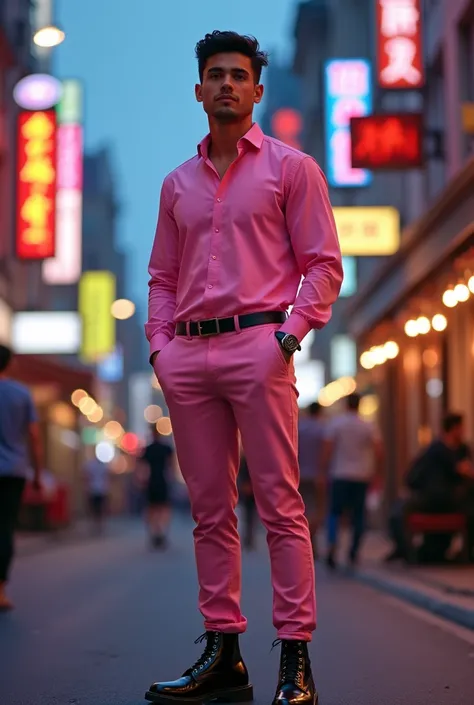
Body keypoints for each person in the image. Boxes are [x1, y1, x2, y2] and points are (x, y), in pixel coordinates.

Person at [144, 30, 342, 705]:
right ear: (198, 89)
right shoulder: (177, 184)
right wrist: (159, 347)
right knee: (209, 509)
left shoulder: (293, 169)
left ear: (256, 89)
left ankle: (296, 657)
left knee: (281, 503)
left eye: (237, 74)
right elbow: (161, 276)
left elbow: (323, 264)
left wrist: (287, 337)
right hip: (188, 358)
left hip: (260, 347)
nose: (226, 83)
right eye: (214, 74)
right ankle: (224, 651)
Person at [386, 413, 474, 563]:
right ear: (454, 429)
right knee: (398, 512)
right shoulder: (437, 450)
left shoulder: (461, 449)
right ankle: (406, 550)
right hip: (433, 498)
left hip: (452, 500)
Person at [0, 344, 42, 610]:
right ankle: (1, 590)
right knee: (5, 528)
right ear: (11, 364)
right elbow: (34, 437)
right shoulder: (21, 393)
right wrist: (37, 474)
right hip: (13, 472)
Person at [322, 393, 383, 570]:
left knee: (334, 512)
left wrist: (323, 471)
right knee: (358, 514)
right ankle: (354, 551)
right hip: (361, 475)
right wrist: (378, 474)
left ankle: (332, 546)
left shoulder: (336, 424)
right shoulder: (368, 426)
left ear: (345, 404)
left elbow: (327, 449)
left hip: (339, 474)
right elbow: (379, 451)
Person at [138, 424, 175, 549]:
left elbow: (142, 467)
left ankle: (155, 532)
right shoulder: (166, 448)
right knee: (162, 508)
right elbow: (171, 466)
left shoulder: (148, 449)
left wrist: (141, 480)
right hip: (162, 481)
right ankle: (161, 532)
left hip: (152, 481)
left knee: (152, 509)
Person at [298, 402, 325, 559]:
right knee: (318, 511)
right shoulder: (323, 429)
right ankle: (311, 542)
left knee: (303, 510)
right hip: (318, 476)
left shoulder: (300, 428)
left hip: (300, 474)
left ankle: (306, 542)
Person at [83, 454, 110, 535]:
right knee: (96, 508)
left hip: (98, 489)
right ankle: (97, 525)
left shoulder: (95, 465)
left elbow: (87, 476)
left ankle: (98, 525)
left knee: (98, 508)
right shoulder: (96, 465)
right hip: (97, 489)